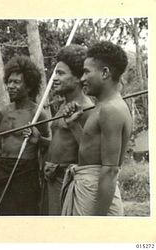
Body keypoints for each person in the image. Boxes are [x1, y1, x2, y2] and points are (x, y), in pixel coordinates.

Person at [61, 41, 132, 216]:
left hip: (96, 193)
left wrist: (97, 222)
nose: (82, 78)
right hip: (89, 187)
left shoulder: (111, 109)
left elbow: (109, 170)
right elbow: (91, 153)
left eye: (86, 72)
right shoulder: (101, 106)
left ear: (105, 72)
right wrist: (73, 125)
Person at [0, 55, 50, 215]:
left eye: (17, 82)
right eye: (9, 81)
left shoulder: (37, 114)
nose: (11, 86)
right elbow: (0, 146)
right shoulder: (4, 112)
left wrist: (39, 140)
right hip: (2, 171)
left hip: (25, 174)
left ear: (28, 86)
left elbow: (49, 146)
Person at [43, 44, 93, 215]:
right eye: (55, 73)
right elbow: (62, 143)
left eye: (61, 73)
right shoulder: (63, 106)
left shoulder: (86, 109)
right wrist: (39, 141)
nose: (54, 78)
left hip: (68, 180)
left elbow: (90, 151)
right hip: (52, 179)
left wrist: (73, 124)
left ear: (78, 78)